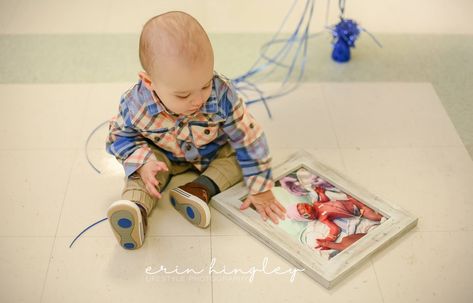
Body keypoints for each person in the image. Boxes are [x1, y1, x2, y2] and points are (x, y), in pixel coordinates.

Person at [105, 11, 286, 250]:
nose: (198, 100)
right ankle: (134, 209)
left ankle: (198, 189)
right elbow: (118, 137)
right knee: (144, 176)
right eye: (183, 95)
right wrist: (142, 160)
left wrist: (261, 188)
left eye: (204, 84)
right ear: (150, 83)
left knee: (237, 158)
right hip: (162, 155)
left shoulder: (221, 95)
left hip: (212, 153)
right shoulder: (135, 104)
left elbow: (247, 136)